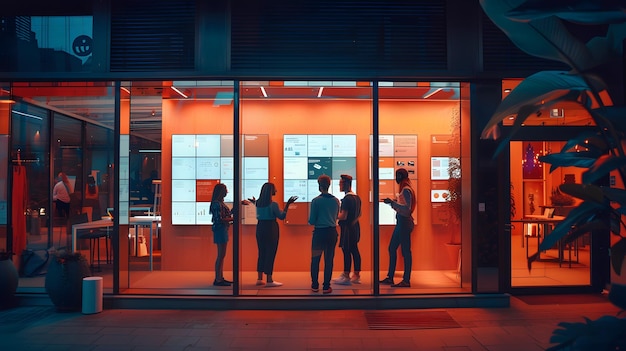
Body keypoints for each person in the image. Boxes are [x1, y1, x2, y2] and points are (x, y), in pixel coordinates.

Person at [252, 182, 298, 287]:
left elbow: (257, 206)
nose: (276, 191)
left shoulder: (258, 203)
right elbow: (281, 216)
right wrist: (287, 205)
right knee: (270, 253)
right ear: (270, 191)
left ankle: (259, 278)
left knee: (261, 252)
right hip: (271, 228)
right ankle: (269, 279)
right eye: (275, 189)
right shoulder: (273, 204)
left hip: (260, 228)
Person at [380, 168, 416, 288]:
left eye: (397, 176)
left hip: (404, 222)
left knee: (406, 251)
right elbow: (404, 208)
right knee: (392, 248)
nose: (396, 178)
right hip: (402, 221)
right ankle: (390, 277)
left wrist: (392, 203)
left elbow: (407, 209)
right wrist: (393, 203)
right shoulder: (405, 189)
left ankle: (406, 280)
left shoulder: (406, 190)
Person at [308, 174, 340, 294]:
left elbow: (312, 220)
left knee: (315, 259)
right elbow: (337, 216)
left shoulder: (316, 201)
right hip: (331, 232)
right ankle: (326, 286)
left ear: (319, 186)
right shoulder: (336, 200)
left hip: (319, 233)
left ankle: (315, 284)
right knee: (329, 259)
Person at [333, 174, 362, 285]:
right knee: (354, 250)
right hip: (356, 227)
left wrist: (334, 215)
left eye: (340, 183)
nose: (339, 185)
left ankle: (346, 275)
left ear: (346, 184)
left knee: (346, 250)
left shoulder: (346, 199)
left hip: (347, 229)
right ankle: (356, 274)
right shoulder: (357, 197)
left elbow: (343, 216)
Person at [210, 183, 233, 286]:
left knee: (222, 255)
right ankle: (218, 278)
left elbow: (225, 215)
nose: (226, 192)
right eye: (225, 190)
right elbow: (220, 219)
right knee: (221, 255)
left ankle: (220, 277)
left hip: (222, 229)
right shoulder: (217, 204)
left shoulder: (218, 203)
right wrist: (232, 219)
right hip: (220, 230)